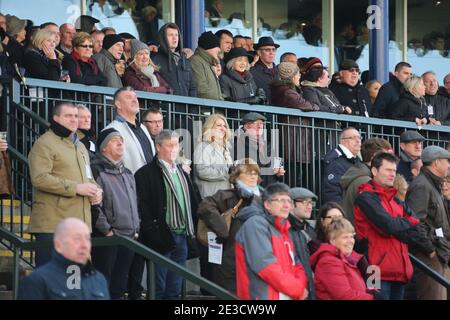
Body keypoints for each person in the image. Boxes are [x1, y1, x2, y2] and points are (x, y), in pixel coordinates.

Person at [28, 102, 102, 267]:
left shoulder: (80, 146)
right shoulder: (44, 143)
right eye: (68, 116)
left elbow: (88, 177)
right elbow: (39, 178)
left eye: (76, 116)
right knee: (51, 281)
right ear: (56, 118)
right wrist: (76, 188)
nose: (74, 120)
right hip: (53, 225)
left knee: (73, 282)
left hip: (80, 224)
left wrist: (97, 190)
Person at [134, 129, 199, 299]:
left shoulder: (183, 174)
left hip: (182, 235)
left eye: (176, 145)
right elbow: (143, 206)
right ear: (158, 147)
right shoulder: (145, 173)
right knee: (158, 287)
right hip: (161, 235)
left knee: (175, 289)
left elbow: (193, 202)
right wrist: (152, 231)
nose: (174, 149)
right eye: (169, 145)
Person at [354, 152, 419, 300]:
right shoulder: (365, 197)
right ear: (374, 171)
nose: (392, 174)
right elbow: (387, 225)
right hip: (373, 270)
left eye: (394, 171)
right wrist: (408, 223)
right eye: (388, 170)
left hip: (400, 270)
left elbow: (417, 232)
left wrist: (399, 227)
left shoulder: (395, 199)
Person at [196, 158, 262, 293]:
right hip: (229, 261)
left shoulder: (264, 199)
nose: (253, 176)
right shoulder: (227, 196)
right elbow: (205, 206)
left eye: (255, 173)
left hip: (255, 258)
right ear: (237, 176)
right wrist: (223, 230)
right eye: (248, 172)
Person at [235, 183, 309, 300]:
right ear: (267, 205)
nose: (286, 205)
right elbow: (266, 267)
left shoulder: (284, 229)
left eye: (289, 201)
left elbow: (297, 265)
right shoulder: (256, 225)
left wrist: (299, 286)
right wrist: (297, 289)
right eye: (280, 200)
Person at [90, 128, 140, 300]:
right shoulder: (95, 169)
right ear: (103, 147)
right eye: (114, 140)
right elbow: (93, 205)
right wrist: (107, 231)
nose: (120, 143)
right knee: (103, 286)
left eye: (121, 140)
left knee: (118, 288)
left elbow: (135, 202)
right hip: (109, 237)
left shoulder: (128, 173)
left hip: (129, 237)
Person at [18, 218, 109, 300]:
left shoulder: (99, 279)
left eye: (87, 239)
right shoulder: (37, 281)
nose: (84, 245)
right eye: (77, 239)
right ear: (58, 245)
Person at [406, 146, 450, 300]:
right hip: (429, 257)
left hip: (438, 254)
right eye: (446, 161)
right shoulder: (422, 186)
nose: (449, 165)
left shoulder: (432, 185)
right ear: (436, 163)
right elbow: (415, 222)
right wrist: (430, 250)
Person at [309, 218, 378, 300]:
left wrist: (369, 292)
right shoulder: (329, 262)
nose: (350, 241)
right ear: (332, 240)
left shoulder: (347, 258)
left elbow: (355, 287)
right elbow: (344, 295)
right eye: (345, 237)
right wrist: (372, 297)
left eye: (352, 236)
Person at [340, 138, 392, 224]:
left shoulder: (360, 176)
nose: (390, 161)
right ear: (375, 156)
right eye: (386, 157)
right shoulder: (365, 182)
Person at [104, 87, 153, 174]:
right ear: (118, 104)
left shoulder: (143, 128)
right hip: (129, 184)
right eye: (128, 97)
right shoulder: (111, 130)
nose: (134, 100)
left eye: (135, 97)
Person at [234, 112, 285, 187]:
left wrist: (279, 172)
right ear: (246, 126)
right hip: (252, 188)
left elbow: (277, 164)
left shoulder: (268, 145)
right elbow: (238, 169)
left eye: (261, 124)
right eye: (256, 123)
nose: (260, 126)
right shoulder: (238, 144)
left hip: (270, 189)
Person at [193, 114, 233, 199]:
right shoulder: (203, 147)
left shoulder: (225, 149)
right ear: (210, 128)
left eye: (225, 126)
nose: (223, 128)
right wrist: (227, 172)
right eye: (219, 125)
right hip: (211, 201)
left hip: (225, 199)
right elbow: (202, 171)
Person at [288, 187, 318, 300]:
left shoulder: (310, 229)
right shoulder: (285, 230)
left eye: (311, 203)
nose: (309, 206)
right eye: (305, 202)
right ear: (291, 204)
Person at [152, 23, 196, 97]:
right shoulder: (155, 60)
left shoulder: (185, 61)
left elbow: (192, 88)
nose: (174, 38)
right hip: (165, 107)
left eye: (176, 35)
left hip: (185, 107)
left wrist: (192, 108)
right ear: (163, 38)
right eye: (170, 35)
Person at [321, 127, 362, 204]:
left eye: (359, 138)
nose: (357, 141)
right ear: (342, 141)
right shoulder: (335, 160)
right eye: (352, 138)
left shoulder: (357, 160)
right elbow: (332, 194)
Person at [190, 31, 222, 100]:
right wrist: (220, 100)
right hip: (205, 109)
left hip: (213, 108)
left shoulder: (209, 63)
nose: (219, 49)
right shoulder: (196, 61)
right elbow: (201, 89)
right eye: (217, 46)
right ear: (209, 46)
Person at [250, 37, 280, 102]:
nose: (271, 53)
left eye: (273, 49)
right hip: (263, 109)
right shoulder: (252, 72)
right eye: (268, 50)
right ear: (259, 53)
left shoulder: (279, 71)